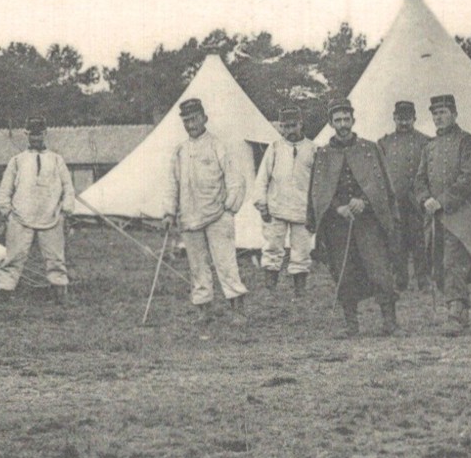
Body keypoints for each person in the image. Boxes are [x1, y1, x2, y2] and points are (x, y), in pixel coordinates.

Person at [414, 94, 471, 332]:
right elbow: (420, 179)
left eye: (443, 112)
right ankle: (460, 309)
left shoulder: (468, 142)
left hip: (462, 215)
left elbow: (470, 178)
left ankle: (454, 313)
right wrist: (425, 199)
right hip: (435, 217)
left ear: (454, 114)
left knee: (453, 263)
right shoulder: (429, 147)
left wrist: (442, 201)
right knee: (439, 263)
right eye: (435, 113)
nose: (439, 117)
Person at [308, 100, 401, 335]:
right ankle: (351, 324)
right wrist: (337, 207)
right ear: (331, 123)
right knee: (343, 271)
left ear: (353, 120)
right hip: (338, 224)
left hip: (368, 222)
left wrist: (364, 201)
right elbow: (318, 192)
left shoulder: (370, 149)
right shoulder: (323, 155)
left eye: (346, 119)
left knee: (378, 268)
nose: (342, 125)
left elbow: (382, 184)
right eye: (337, 120)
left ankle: (390, 321)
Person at [165, 97, 249, 325]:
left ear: (204, 118)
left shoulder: (218, 145)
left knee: (226, 263)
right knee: (197, 266)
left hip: (217, 216)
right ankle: (204, 310)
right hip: (190, 218)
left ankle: (238, 310)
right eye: (186, 121)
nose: (191, 125)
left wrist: (229, 209)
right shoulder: (180, 151)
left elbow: (236, 181)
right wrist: (169, 212)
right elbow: (173, 183)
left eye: (194, 119)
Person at [0, 117, 78, 303]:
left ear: (45, 134)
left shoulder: (57, 160)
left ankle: (59, 292)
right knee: (14, 256)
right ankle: (5, 292)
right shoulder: (17, 161)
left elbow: (68, 188)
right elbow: (5, 190)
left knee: (55, 258)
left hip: (51, 217)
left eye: (39, 134)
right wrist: (7, 212)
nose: (36, 138)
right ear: (26, 135)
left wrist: (66, 211)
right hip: (20, 217)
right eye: (32, 134)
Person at [254, 107, 316, 294]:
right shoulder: (274, 148)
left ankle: (300, 288)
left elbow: (317, 182)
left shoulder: (313, 149)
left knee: (301, 250)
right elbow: (262, 178)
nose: (290, 130)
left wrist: (314, 209)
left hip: (302, 209)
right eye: (285, 126)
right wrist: (261, 204)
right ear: (281, 127)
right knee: (272, 246)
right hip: (276, 207)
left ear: (300, 124)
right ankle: (270, 286)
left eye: (293, 125)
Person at [378, 100, 431, 292]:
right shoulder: (384, 143)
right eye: (400, 118)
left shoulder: (426, 142)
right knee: (396, 241)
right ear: (394, 118)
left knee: (420, 241)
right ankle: (400, 279)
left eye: (408, 118)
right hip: (395, 200)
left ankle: (424, 280)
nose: (404, 122)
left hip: (418, 200)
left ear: (415, 119)